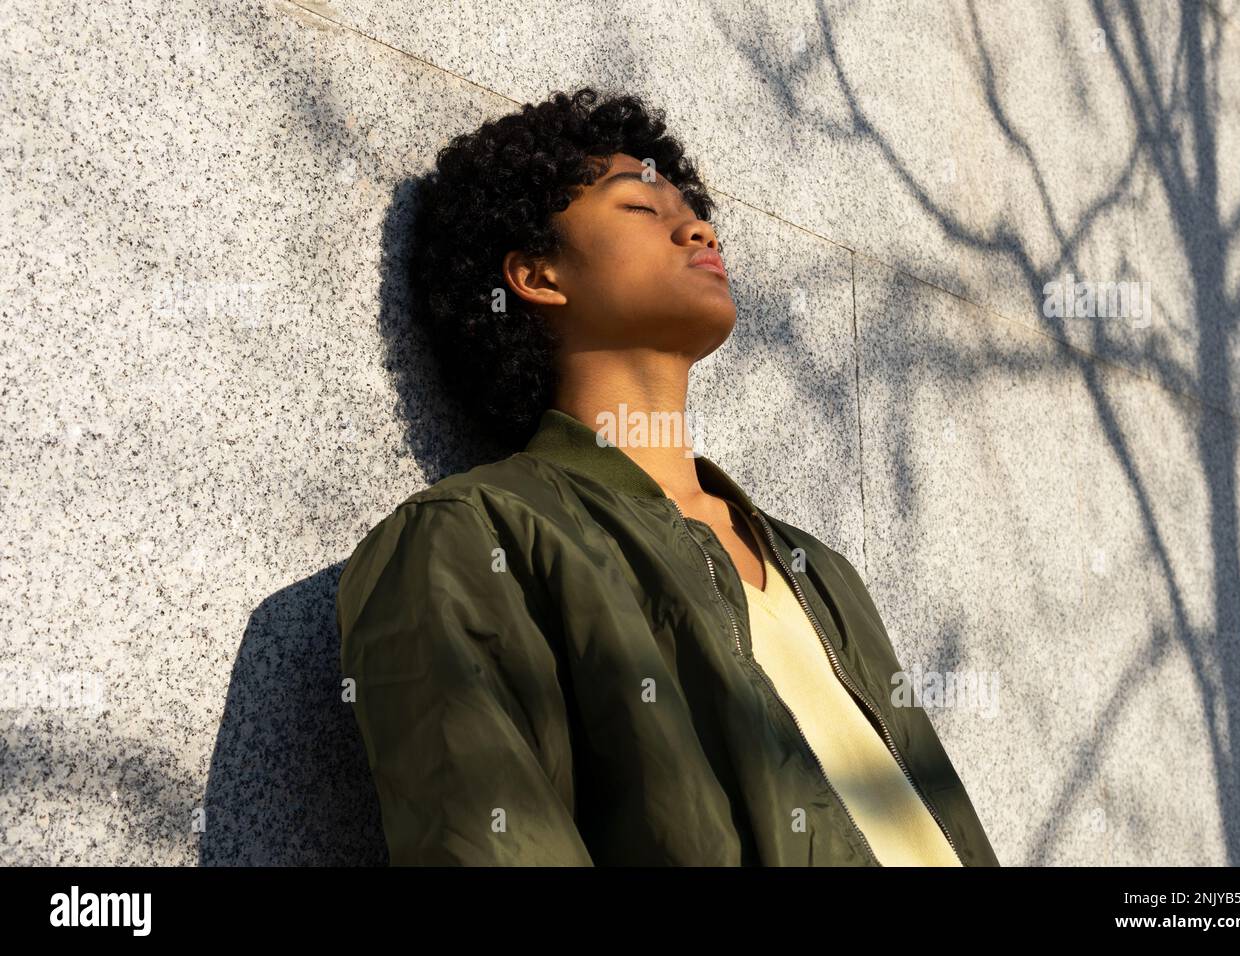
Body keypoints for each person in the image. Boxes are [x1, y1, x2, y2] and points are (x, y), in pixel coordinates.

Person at [335, 87, 1000, 866]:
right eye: (639, 208)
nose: (699, 225)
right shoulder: (472, 540)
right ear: (538, 275)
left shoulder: (820, 571)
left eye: (690, 206)